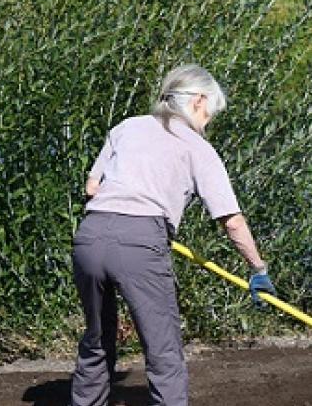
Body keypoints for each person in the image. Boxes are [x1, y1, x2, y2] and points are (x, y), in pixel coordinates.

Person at [71, 64, 276, 406]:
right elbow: (232, 221)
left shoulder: (127, 127)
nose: (209, 121)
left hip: (90, 236)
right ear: (198, 101)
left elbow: (92, 187)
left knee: (96, 342)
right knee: (163, 351)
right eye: (211, 112)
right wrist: (258, 269)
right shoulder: (197, 148)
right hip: (140, 241)